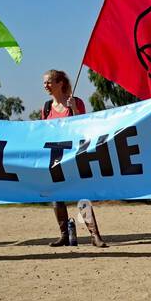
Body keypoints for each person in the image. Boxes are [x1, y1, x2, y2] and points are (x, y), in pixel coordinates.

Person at [40, 69, 107, 248]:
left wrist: (74, 109)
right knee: (57, 197)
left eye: (48, 82)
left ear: (60, 83)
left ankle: (95, 235)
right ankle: (64, 235)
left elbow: (84, 126)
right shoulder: (46, 107)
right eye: (44, 83)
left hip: (75, 156)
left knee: (81, 196)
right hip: (55, 157)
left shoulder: (76, 102)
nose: (45, 85)